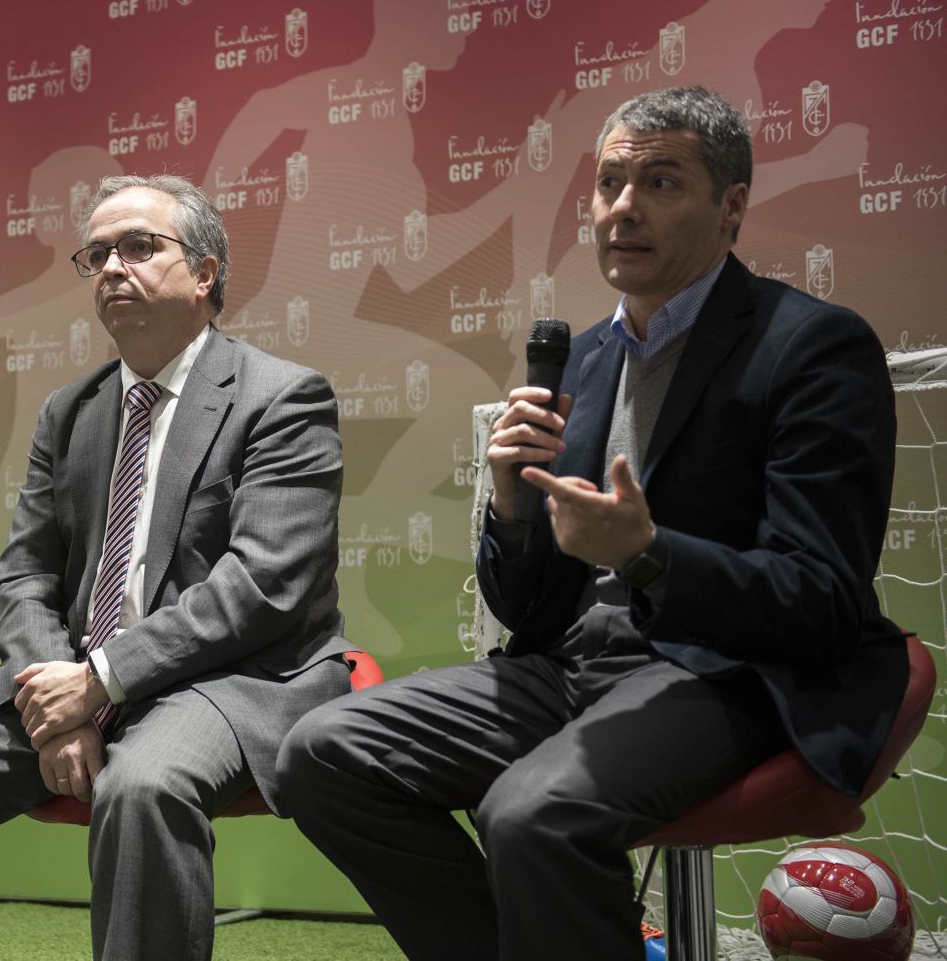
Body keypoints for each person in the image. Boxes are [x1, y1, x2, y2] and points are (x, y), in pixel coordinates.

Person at [277, 86, 907, 959]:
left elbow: (823, 599)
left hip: (728, 675)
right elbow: (527, 612)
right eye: (610, 183)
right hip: (571, 665)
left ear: (731, 206)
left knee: (531, 812)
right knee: (321, 752)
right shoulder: (581, 358)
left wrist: (649, 559)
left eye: (660, 182)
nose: (624, 209)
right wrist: (510, 504)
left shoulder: (810, 346)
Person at [0, 174, 354, 960]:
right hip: (76, 676)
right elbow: (24, 579)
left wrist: (101, 680)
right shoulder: (70, 411)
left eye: (140, 247)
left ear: (206, 273)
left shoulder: (282, 399)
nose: (113, 266)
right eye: (98, 253)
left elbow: (262, 587)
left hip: (229, 678)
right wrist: (60, 695)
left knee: (142, 788)